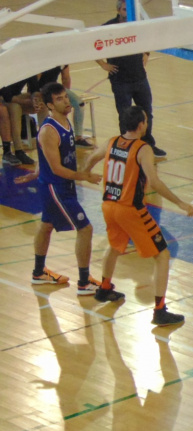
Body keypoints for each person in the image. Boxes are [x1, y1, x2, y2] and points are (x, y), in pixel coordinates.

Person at [80, 106, 193, 325]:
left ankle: (104, 289)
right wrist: (180, 202)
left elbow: (92, 157)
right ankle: (160, 311)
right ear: (141, 125)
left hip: (108, 205)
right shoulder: (142, 149)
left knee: (115, 246)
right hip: (130, 209)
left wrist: (86, 174)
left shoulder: (111, 142)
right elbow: (154, 182)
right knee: (162, 255)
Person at [24, 82, 103, 293]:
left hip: (60, 185)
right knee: (85, 229)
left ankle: (39, 273)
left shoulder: (65, 121)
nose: (66, 101)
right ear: (50, 105)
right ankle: (84, 282)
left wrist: (37, 170)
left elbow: (46, 156)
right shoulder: (49, 131)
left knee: (46, 225)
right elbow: (57, 169)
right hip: (56, 187)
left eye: (66, 97)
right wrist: (85, 176)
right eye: (59, 99)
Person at [98, 0, 166, 159]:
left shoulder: (137, 26)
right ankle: (126, 147)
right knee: (125, 115)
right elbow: (92, 45)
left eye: (130, 10)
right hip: (120, 80)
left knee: (146, 112)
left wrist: (146, 53)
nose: (127, 13)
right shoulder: (108, 27)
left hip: (140, 77)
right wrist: (103, 64)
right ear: (118, 10)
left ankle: (148, 144)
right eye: (124, 10)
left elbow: (148, 39)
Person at [28, 65, 92, 147]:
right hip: (40, 89)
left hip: (54, 88)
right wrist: (36, 95)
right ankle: (44, 139)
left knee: (79, 104)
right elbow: (35, 81)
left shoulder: (63, 62)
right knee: (43, 106)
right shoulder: (44, 61)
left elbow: (66, 78)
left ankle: (78, 138)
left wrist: (65, 98)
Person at [1, 80, 37, 166]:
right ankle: (16, 150)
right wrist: (23, 102)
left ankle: (46, 142)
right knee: (14, 108)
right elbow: (6, 94)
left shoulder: (27, 71)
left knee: (42, 102)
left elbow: (34, 88)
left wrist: (36, 99)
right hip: (4, 98)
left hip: (14, 97)